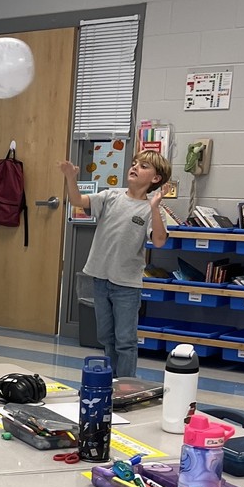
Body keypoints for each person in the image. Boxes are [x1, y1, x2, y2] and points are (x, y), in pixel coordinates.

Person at [60, 150, 171, 378]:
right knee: (106, 337)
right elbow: (77, 201)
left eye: (143, 166)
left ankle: (126, 386)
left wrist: (155, 207)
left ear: (156, 179)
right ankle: (111, 382)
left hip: (127, 285)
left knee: (125, 340)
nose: (135, 167)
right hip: (101, 278)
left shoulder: (152, 209)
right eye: (134, 163)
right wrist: (71, 177)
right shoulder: (111, 196)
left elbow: (159, 241)